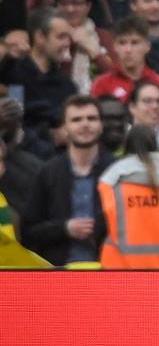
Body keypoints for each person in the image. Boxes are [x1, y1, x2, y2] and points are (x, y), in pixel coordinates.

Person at [21, 96, 113, 266]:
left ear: (101, 125)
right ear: (64, 128)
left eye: (91, 118)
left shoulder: (117, 172)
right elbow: (28, 231)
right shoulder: (47, 172)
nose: (85, 124)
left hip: (107, 273)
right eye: (76, 119)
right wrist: (65, 229)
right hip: (59, 273)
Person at [97, 125, 159, 269]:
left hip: (119, 274)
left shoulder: (110, 186)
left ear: (126, 150)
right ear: (157, 148)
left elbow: (99, 229)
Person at [0, 8, 76, 147]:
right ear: (40, 37)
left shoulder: (67, 85)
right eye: (61, 37)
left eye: (68, 38)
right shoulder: (10, 70)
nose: (67, 44)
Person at [91, 16, 159, 110]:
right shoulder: (101, 84)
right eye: (122, 43)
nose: (128, 50)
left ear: (147, 46)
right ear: (115, 47)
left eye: (134, 43)